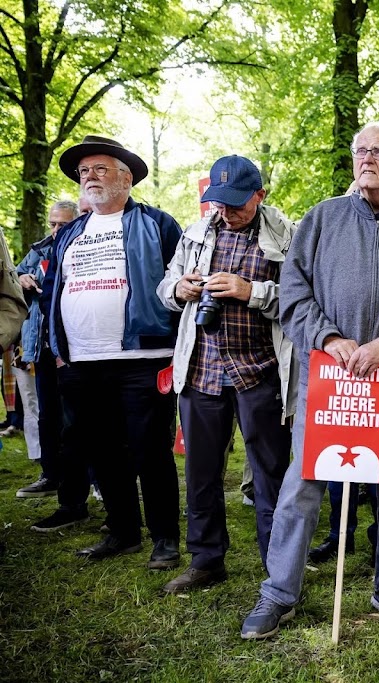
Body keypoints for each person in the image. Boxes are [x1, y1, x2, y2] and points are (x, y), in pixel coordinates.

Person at [241, 122, 379, 638]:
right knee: (304, 484)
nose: (365, 159)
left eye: (378, 152)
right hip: (328, 381)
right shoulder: (321, 218)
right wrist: (330, 338)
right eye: (360, 150)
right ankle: (279, 594)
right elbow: (292, 291)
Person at [40, 135, 182, 568]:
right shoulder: (70, 234)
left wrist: (177, 349)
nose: (89, 177)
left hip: (143, 359)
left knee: (150, 451)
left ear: (126, 177)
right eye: (84, 172)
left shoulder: (157, 224)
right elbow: (52, 293)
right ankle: (123, 532)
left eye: (99, 169)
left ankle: (165, 539)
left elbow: (180, 287)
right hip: (81, 362)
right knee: (101, 451)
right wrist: (58, 349)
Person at [156, 155, 296, 593]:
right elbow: (166, 287)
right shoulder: (195, 233)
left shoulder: (287, 235)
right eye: (218, 202)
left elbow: (301, 299)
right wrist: (179, 290)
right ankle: (206, 559)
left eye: (236, 203)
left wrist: (249, 291)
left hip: (261, 371)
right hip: (201, 371)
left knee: (270, 472)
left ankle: (278, 564)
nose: (226, 211)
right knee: (200, 471)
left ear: (261, 195)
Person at [14, 200, 77, 498]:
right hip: (42, 346)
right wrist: (22, 278)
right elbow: (13, 278)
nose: (55, 230)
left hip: (75, 348)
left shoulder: (82, 247)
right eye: (52, 223)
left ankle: (89, 480)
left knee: (77, 416)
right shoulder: (38, 250)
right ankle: (50, 475)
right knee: (47, 415)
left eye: (62, 224)